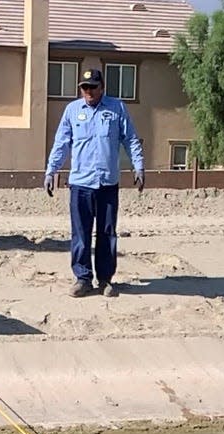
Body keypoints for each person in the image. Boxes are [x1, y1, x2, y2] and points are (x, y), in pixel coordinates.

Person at [44, 68, 145, 297]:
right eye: (84, 87)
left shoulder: (117, 108)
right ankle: (82, 278)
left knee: (107, 233)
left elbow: (130, 139)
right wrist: (51, 171)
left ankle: (106, 280)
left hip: (107, 183)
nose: (88, 91)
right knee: (80, 233)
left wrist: (138, 166)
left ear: (102, 88)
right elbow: (62, 143)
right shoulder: (72, 110)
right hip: (80, 184)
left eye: (92, 87)